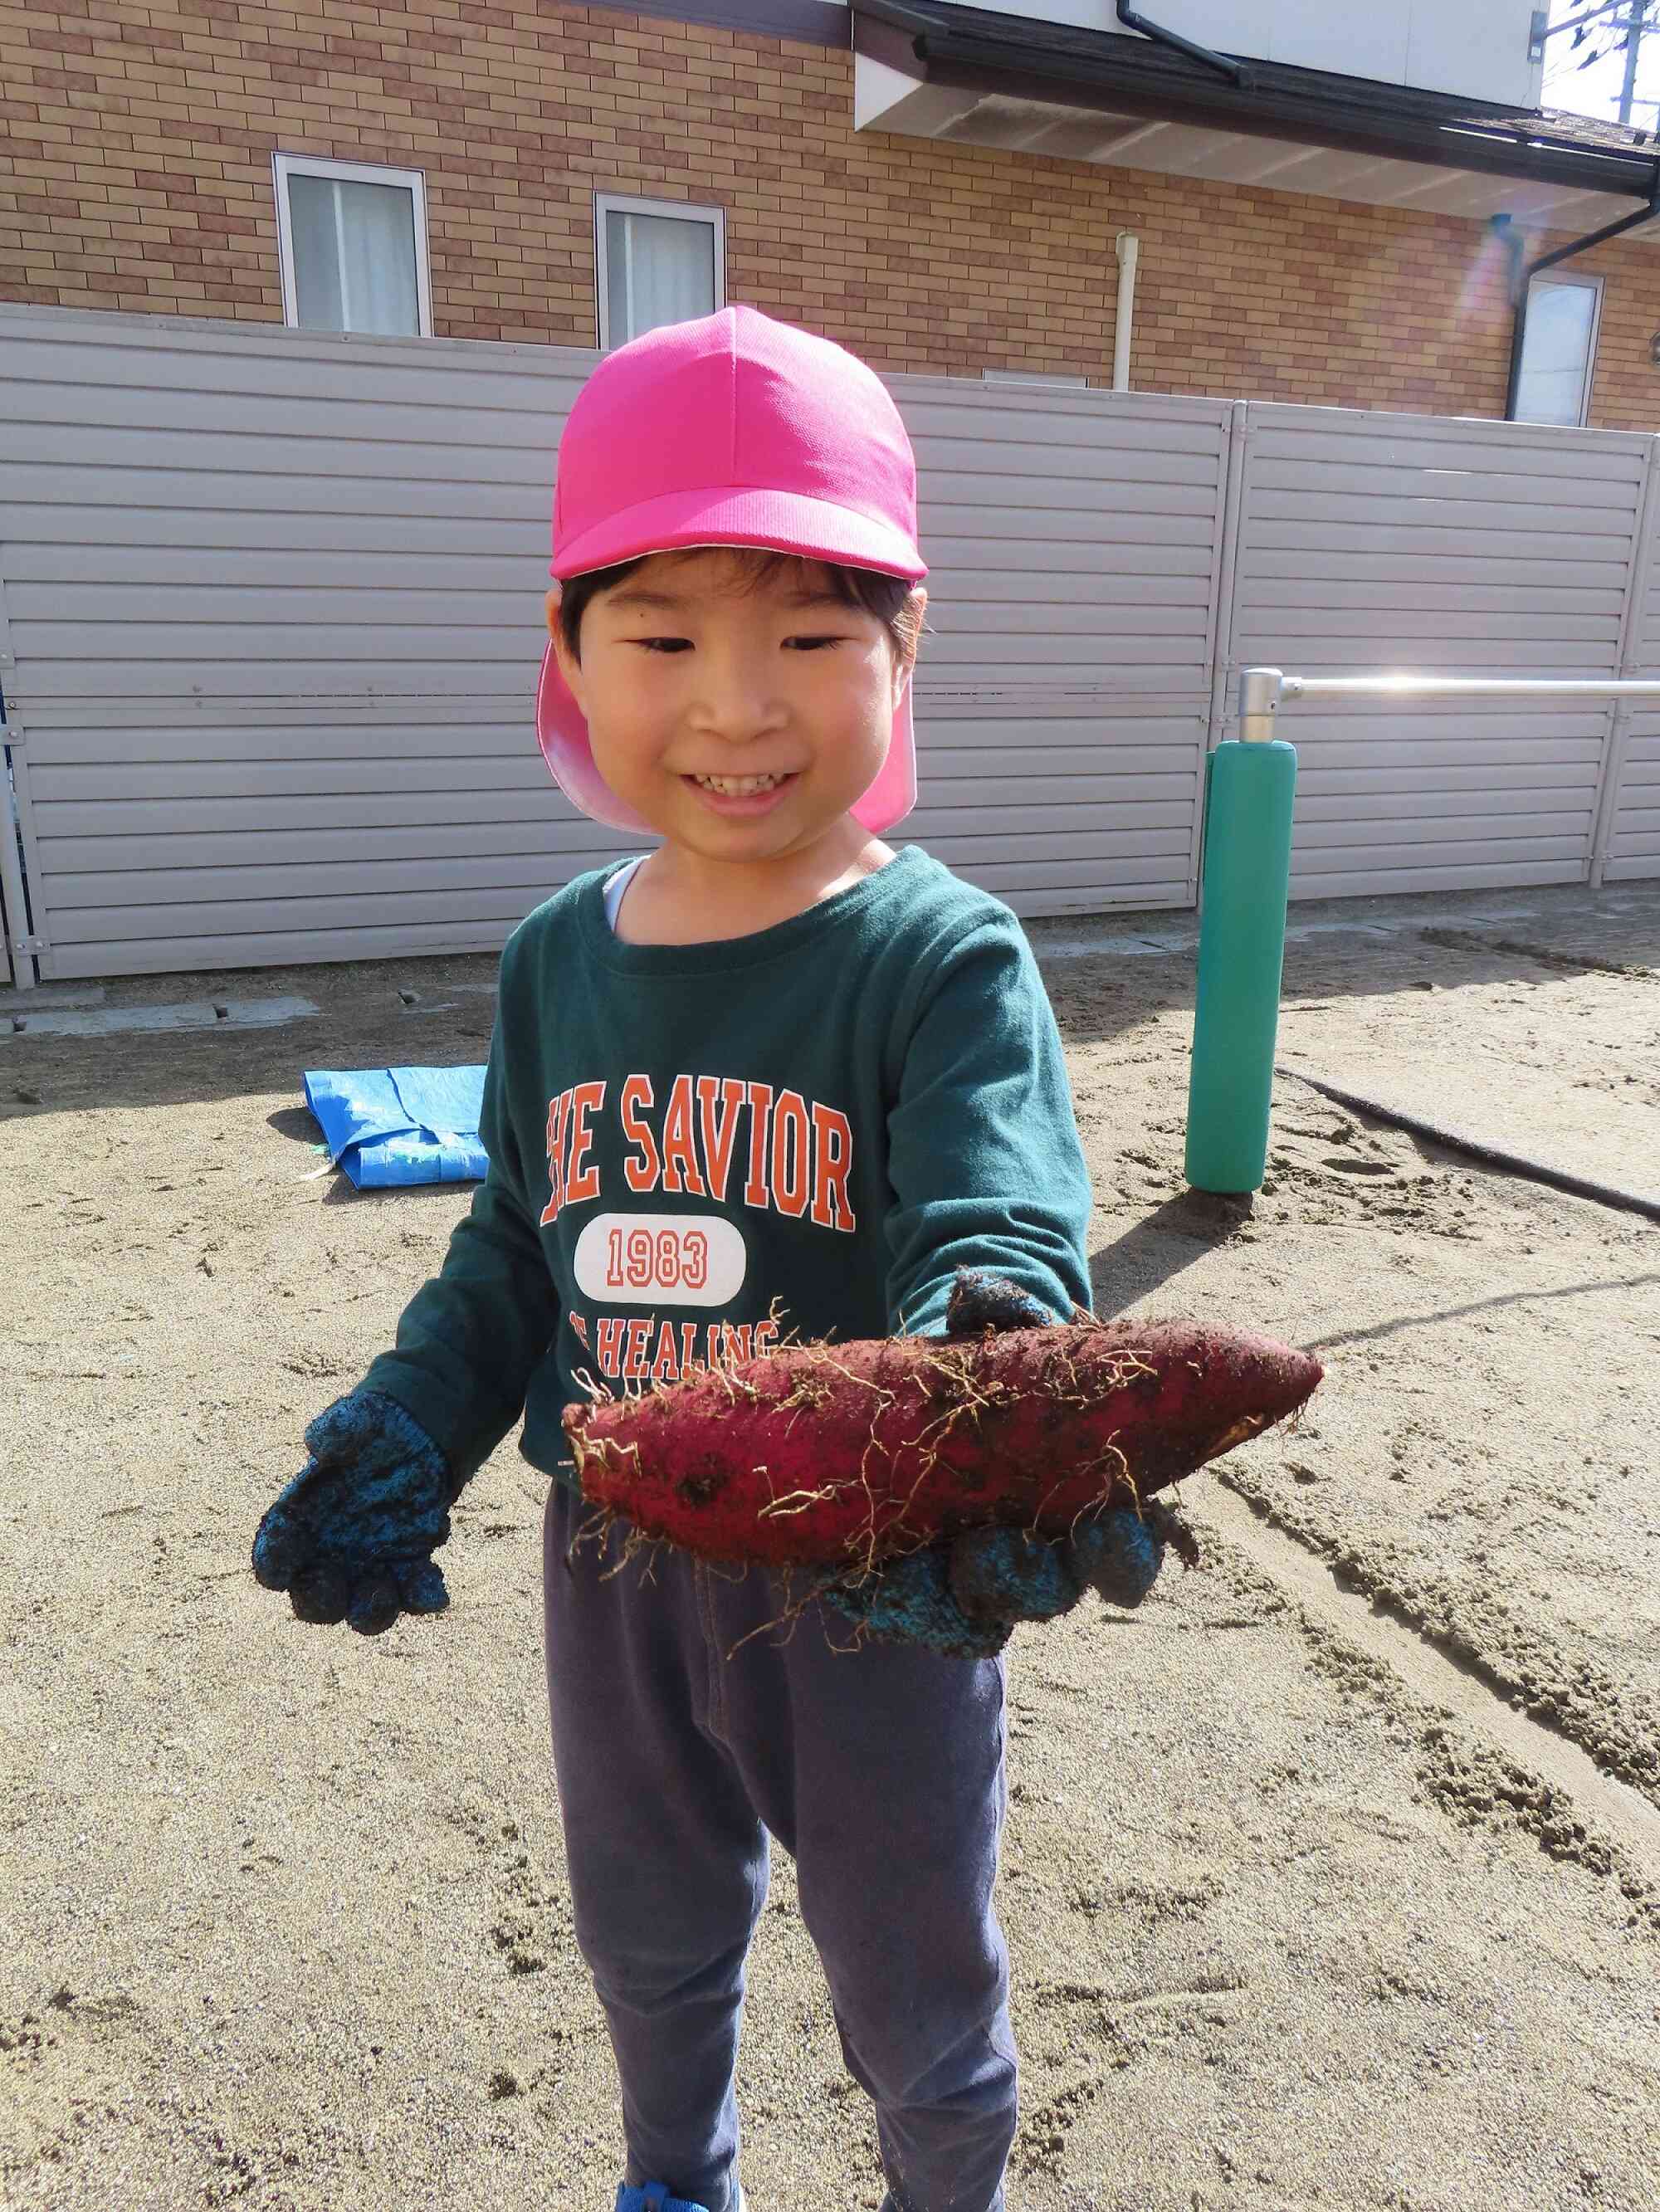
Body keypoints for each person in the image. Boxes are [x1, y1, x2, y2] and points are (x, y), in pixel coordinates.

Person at [251, 305, 1164, 2212]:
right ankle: (677, 2180)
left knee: (914, 1977)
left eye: (813, 639)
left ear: (905, 652)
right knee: (645, 1926)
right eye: (664, 635)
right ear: (571, 657)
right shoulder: (551, 960)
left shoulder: (939, 959)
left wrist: (992, 1363)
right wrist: (416, 1411)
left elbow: (992, 1208)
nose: (739, 706)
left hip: (866, 1573)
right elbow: (516, 1241)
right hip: (613, 1552)